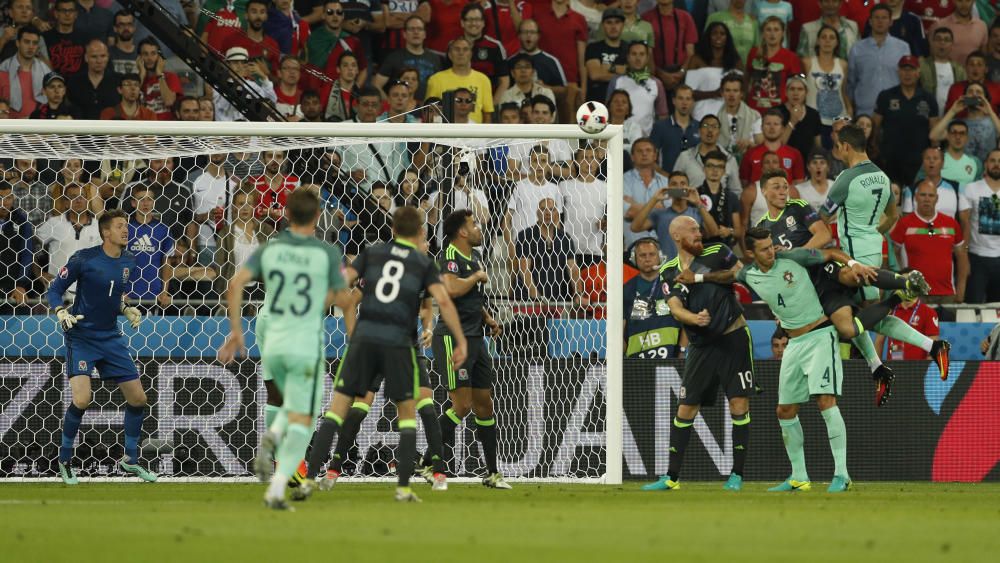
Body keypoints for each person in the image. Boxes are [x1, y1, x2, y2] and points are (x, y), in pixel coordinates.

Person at [295, 205, 466, 504]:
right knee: (407, 413)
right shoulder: (423, 264)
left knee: (337, 409)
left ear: (393, 229)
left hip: (367, 340)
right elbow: (443, 303)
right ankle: (403, 487)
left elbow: (344, 289)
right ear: (421, 232)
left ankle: (312, 479)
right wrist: (459, 340)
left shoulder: (372, 254)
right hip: (399, 343)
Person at [217, 188, 353, 510]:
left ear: (286, 215)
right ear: (318, 217)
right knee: (305, 411)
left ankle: (276, 483)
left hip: (269, 326)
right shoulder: (326, 253)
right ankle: (285, 459)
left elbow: (234, 284)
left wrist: (236, 332)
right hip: (303, 333)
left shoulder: (271, 248)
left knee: (279, 397)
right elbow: (341, 296)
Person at [822, 124, 951, 374]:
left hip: (855, 255)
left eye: (839, 147)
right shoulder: (883, 177)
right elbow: (893, 217)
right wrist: (872, 233)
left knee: (862, 316)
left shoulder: (845, 178)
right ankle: (880, 365)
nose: (839, 152)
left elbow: (821, 217)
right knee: (859, 314)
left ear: (845, 146)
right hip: (873, 248)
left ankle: (916, 344)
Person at [641, 216, 751, 492]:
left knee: (738, 403)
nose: (699, 233)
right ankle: (671, 478)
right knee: (686, 407)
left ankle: (736, 475)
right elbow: (675, 308)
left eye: (699, 229)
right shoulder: (668, 270)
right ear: (677, 236)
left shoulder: (718, 252)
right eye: (692, 230)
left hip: (732, 337)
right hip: (701, 346)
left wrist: (701, 277)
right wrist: (693, 318)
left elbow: (742, 274)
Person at [46, 209, 156, 485]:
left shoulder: (128, 261)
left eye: (126, 226)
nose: (125, 230)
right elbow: (54, 289)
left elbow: (112, 292)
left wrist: (125, 308)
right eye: (120, 226)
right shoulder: (85, 259)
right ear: (106, 232)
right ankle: (65, 460)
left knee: (138, 400)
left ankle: (130, 461)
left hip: (111, 338)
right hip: (82, 337)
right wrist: (60, 311)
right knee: (82, 399)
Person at [737, 229, 851, 493]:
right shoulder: (748, 274)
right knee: (784, 410)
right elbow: (728, 275)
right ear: (751, 254)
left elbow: (831, 253)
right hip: (793, 343)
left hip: (820, 334)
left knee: (825, 400)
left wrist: (854, 264)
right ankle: (799, 476)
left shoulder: (795, 258)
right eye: (764, 248)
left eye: (771, 245)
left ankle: (842, 474)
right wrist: (696, 277)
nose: (772, 250)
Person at [422, 210, 507, 487]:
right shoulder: (449, 255)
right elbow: (451, 288)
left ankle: (493, 473)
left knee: (485, 404)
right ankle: (427, 463)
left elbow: (471, 297)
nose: (479, 228)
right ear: (462, 231)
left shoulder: (476, 257)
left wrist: (487, 318)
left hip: (477, 337)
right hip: (452, 339)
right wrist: (476, 278)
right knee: (462, 405)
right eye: (474, 225)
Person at [890, 181, 968, 303]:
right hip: (914, 294)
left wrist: (961, 289)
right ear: (915, 197)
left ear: (937, 199)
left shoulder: (951, 223)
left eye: (931, 196)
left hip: (947, 294)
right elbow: (894, 255)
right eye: (923, 195)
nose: (927, 199)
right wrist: (902, 282)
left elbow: (962, 256)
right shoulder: (904, 224)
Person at [873, 54, 939, 185]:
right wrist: (877, 151)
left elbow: (935, 133)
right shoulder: (886, 96)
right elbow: (875, 126)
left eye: (911, 69)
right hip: (891, 159)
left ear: (918, 73)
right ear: (898, 72)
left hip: (919, 161)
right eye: (904, 69)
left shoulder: (928, 98)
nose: (907, 74)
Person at [514, 197, 588, 306]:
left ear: (557, 213)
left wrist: (578, 293)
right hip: (528, 302)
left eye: (552, 209)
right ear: (537, 213)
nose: (548, 213)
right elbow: (524, 269)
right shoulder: (525, 236)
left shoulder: (564, 238)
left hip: (556, 301)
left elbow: (573, 269)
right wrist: (537, 298)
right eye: (543, 209)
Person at [630, 171, 720, 258]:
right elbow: (635, 228)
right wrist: (654, 199)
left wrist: (698, 203)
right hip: (668, 269)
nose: (678, 187)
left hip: (693, 268)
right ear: (669, 188)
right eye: (674, 184)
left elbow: (714, 232)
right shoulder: (659, 214)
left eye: (683, 183)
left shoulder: (697, 212)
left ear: (688, 187)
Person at [847, 4, 911, 117]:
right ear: (870, 21)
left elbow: (908, 80)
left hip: (895, 111)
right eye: (876, 18)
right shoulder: (857, 49)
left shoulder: (903, 48)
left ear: (891, 22)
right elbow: (851, 82)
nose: (880, 21)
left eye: (884, 18)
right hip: (865, 112)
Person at [36, 183, 100, 293]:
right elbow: (29, 247)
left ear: (87, 200)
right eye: (73, 197)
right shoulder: (54, 223)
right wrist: (39, 273)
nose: (78, 200)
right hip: (58, 293)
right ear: (65, 203)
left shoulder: (99, 227)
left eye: (82, 196)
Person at [623, 237, 681, 358]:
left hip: (671, 360)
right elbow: (621, 327)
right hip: (637, 361)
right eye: (642, 255)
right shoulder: (627, 289)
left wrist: (682, 352)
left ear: (660, 256)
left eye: (652, 254)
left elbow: (686, 323)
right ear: (634, 259)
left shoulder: (673, 284)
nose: (647, 259)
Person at [683, 21, 744, 122]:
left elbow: (743, 91)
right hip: (701, 114)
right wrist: (714, 93)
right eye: (714, 33)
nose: (718, 37)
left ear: (727, 38)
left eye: (722, 34)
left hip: (730, 115)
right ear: (708, 36)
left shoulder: (736, 61)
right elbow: (689, 92)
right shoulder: (697, 60)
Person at [962, 148, 1000, 304]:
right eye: (992, 161)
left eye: (999, 161)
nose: (996, 164)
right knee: (973, 305)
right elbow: (965, 222)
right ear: (985, 164)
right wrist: (964, 256)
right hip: (977, 257)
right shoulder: (972, 188)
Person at [803, 24, 852, 145]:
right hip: (814, 121)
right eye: (824, 37)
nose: (827, 41)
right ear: (818, 41)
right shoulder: (807, 63)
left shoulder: (843, 64)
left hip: (838, 122)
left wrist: (849, 114)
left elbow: (844, 92)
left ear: (837, 43)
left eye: (831, 38)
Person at [425, 37, 494, 123]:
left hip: (475, 133)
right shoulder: (436, 79)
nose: (461, 53)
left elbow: (487, 113)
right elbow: (429, 112)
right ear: (450, 54)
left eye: (465, 49)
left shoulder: (483, 80)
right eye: (457, 49)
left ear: (471, 54)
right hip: (445, 132)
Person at [373, 15, 442, 101]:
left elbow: (440, 86)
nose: (416, 32)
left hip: (426, 110)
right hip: (402, 111)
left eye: (419, 29)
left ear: (424, 34)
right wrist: (390, 104)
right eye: (412, 29)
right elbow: (376, 84)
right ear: (404, 34)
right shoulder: (394, 57)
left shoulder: (434, 58)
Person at [127, 185, 174, 308]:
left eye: (149, 199)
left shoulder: (163, 229)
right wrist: (119, 291)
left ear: (153, 202)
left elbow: (166, 263)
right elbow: (115, 261)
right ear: (133, 203)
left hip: (154, 295)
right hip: (127, 295)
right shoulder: (125, 229)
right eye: (141, 199)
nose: (145, 203)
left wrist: (164, 292)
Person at [672, 115, 742, 194]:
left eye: (714, 126)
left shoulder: (730, 160)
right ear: (699, 131)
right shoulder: (685, 157)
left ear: (719, 132)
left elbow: (736, 192)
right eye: (705, 126)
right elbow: (673, 190)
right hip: (691, 205)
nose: (710, 130)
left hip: (720, 205)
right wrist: (690, 199)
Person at [746, 16, 801, 113]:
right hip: (753, 110)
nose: (772, 34)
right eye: (768, 30)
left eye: (776, 30)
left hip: (779, 111)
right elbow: (748, 79)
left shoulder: (791, 57)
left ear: (783, 33)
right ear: (763, 33)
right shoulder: (753, 53)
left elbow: (795, 86)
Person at [739, 109, 805, 189]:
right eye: (768, 124)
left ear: (782, 129)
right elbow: (744, 184)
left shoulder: (794, 154)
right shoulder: (750, 154)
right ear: (762, 128)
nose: (772, 128)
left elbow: (799, 184)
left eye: (776, 124)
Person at [458, 3, 509, 100]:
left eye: (477, 20)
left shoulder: (495, 46)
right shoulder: (454, 47)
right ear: (462, 23)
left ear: (483, 23)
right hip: (459, 105)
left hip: (487, 104)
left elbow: (504, 81)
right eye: (469, 20)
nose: (473, 23)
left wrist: (493, 107)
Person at [643, 0, 697, 90]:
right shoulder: (646, 18)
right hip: (655, 75)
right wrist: (660, 74)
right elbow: (645, 53)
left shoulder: (685, 17)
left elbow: (690, 53)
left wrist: (681, 72)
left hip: (682, 75)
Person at [0, 26, 51, 119]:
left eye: (34, 43)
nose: (31, 47)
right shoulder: (3, 69)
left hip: (38, 127)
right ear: (18, 43)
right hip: (8, 128)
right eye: (27, 42)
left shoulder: (46, 71)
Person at [66, 39, 121, 120]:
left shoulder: (118, 81)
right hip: (81, 130)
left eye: (103, 56)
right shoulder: (74, 82)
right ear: (86, 58)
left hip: (110, 130)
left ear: (108, 57)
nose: (99, 61)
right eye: (94, 56)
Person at [584, 9, 628, 105]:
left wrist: (609, 67)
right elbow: (595, 75)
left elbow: (635, 75)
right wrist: (622, 72)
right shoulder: (593, 48)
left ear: (623, 25)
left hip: (623, 102)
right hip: (597, 101)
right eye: (609, 22)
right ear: (603, 25)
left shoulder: (629, 49)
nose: (613, 26)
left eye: (617, 22)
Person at [649, 85, 698, 171]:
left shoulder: (699, 127)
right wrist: (665, 177)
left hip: (694, 182)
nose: (684, 102)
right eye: (680, 98)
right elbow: (651, 158)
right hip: (668, 180)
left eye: (688, 99)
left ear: (693, 102)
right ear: (674, 101)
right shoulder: (660, 127)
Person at [716, 72, 763, 161]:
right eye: (728, 90)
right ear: (722, 93)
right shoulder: (714, 117)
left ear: (741, 93)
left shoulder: (755, 116)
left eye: (735, 91)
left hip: (747, 161)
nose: (731, 95)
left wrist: (749, 144)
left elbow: (761, 146)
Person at [920, 26, 965, 116]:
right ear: (932, 43)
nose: (942, 43)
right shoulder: (921, 65)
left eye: (946, 40)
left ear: (952, 45)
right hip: (927, 116)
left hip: (952, 118)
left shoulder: (960, 70)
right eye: (938, 39)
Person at [928, 0, 986, 67]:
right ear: (953, 1)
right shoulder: (939, 25)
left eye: (968, 1)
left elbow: (983, 56)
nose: (964, 5)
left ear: (973, 1)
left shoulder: (982, 26)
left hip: (972, 76)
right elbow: (932, 56)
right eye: (960, 1)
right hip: (946, 75)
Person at [137, 38, 182, 120]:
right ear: (139, 58)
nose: (149, 58)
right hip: (143, 128)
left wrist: (159, 74)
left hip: (165, 128)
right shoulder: (136, 80)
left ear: (159, 56)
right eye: (145, 54)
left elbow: (169, 101)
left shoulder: (171, 77)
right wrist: (142, 75)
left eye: (153, 53)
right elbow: (131, 100)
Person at [45, 0, 87, 76]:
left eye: (71, 10)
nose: (67, 14)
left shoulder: (85, 38)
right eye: (63, 10)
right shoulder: (45, 37)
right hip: (53, 84)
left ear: (76, 14)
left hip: (79, 85)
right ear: (56, 14)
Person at [107, 10, 138, 76]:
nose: (126, 28)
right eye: (122, 25)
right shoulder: (106, 54)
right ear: (115, 28)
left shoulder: (143, 54)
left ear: (134, 28)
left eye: (129, 24)